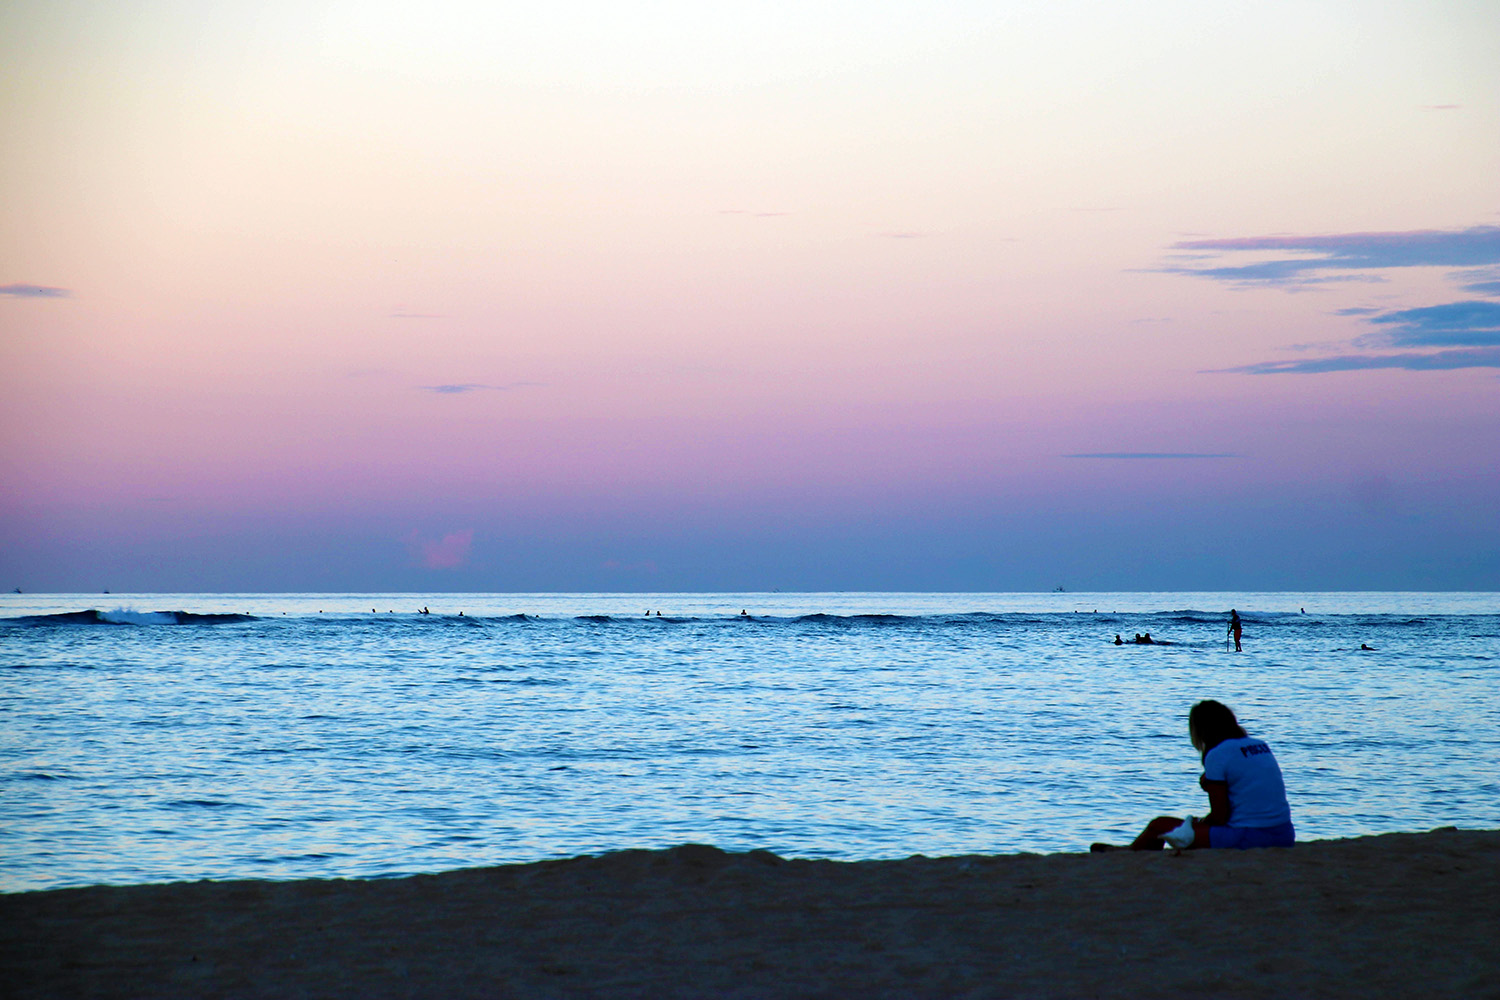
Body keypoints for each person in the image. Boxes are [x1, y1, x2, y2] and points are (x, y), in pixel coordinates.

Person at [1091, 700, 1294, 852]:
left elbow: (1220, 816)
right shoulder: (1259, 745)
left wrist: (1200, 823)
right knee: (1181, 825)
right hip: (1284, 833)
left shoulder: (1218, 754)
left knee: (1159, 825)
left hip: (1251, 837)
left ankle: (1128, 853)